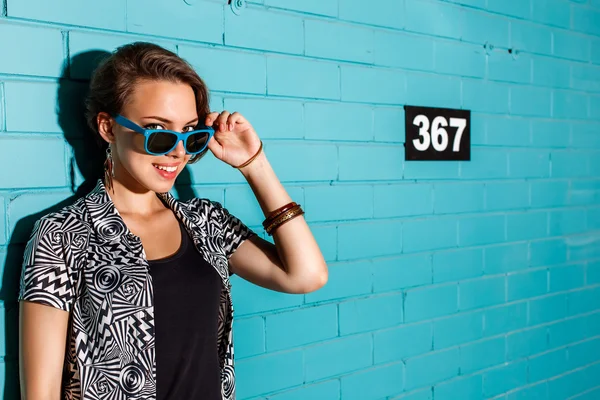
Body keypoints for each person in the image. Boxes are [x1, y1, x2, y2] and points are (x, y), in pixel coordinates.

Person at [18, 42, 328, 400]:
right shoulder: (62, 234)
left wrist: (253, 164)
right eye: (158, 132)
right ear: (108, 128)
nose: (178, 151)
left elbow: (306, 275)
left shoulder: (205, 223)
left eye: (191, 134)